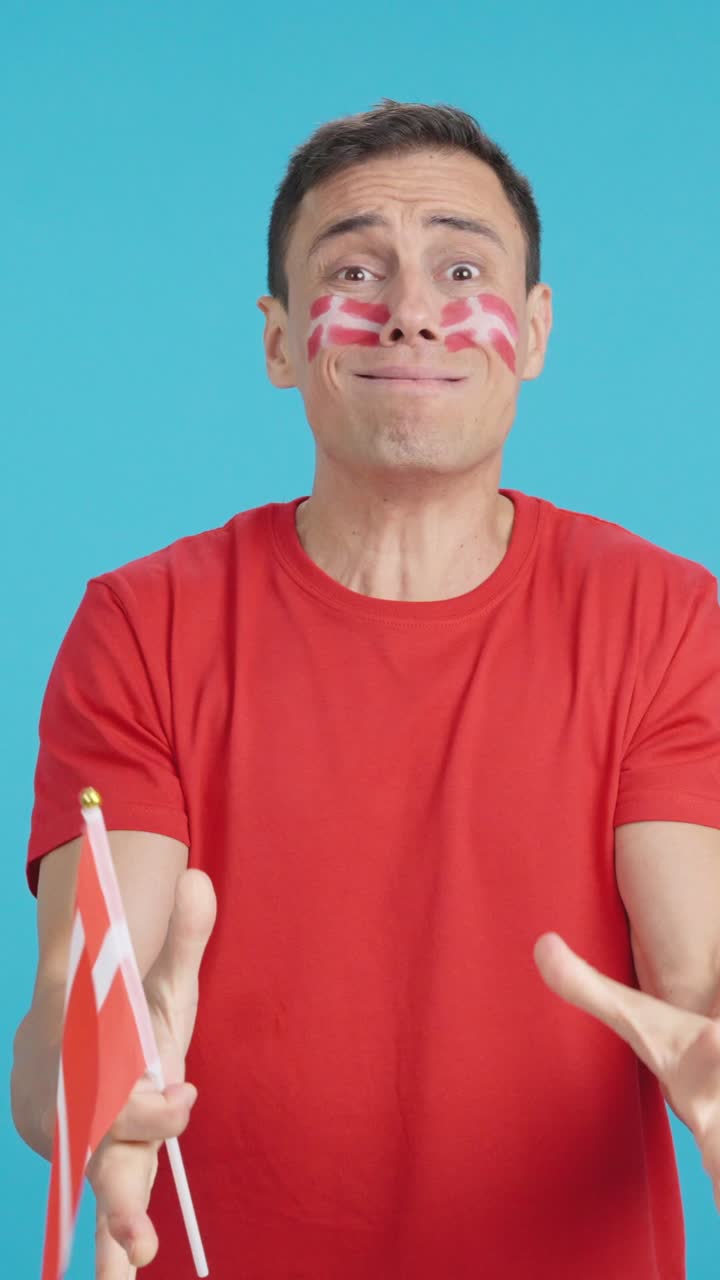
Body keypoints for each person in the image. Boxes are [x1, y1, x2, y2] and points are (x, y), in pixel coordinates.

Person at [11, 99, 720, 1279]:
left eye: (460, 266)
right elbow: (77, 1008)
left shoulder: (664, 616)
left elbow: (696, 970)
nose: (413, 311)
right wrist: (97, 1086)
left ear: (533, 330)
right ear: (282, 340)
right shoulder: (143, 622)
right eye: (354, 268)